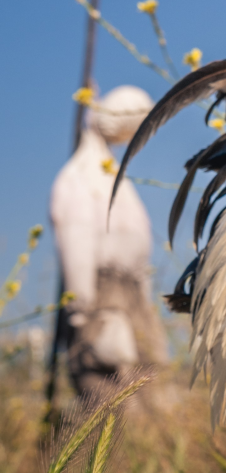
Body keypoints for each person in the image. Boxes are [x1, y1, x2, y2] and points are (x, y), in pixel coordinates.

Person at [49, 85, 167, 396]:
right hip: (102, 302)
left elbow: (139, 251)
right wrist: (82, 310)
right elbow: (78, 245)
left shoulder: (111, 177)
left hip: (131, 299)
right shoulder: (78, 178)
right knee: (104, 393)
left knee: (141, 393)